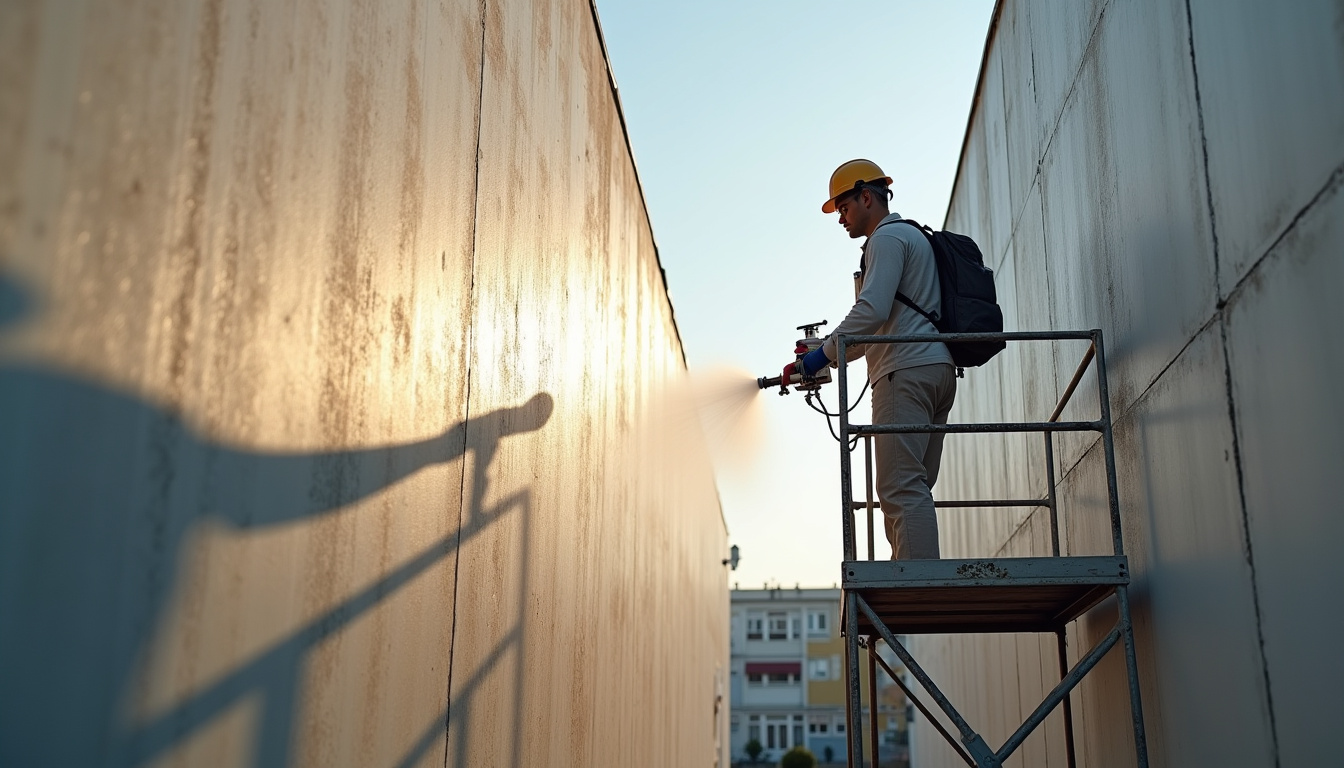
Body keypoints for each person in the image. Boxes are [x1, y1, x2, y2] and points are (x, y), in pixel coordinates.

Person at [782, 159, 956, 559]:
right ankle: (913, 579)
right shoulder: (913, 238)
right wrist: (825, 355)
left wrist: (820, 355)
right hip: (937, 368)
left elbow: (872, 311)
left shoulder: (886, 239)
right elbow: (878, 326)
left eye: (843, 208)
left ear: (866, 197)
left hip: (904, 374)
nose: (841, 218)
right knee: (915, 484)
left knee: (899, 487)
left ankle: (915, 591)